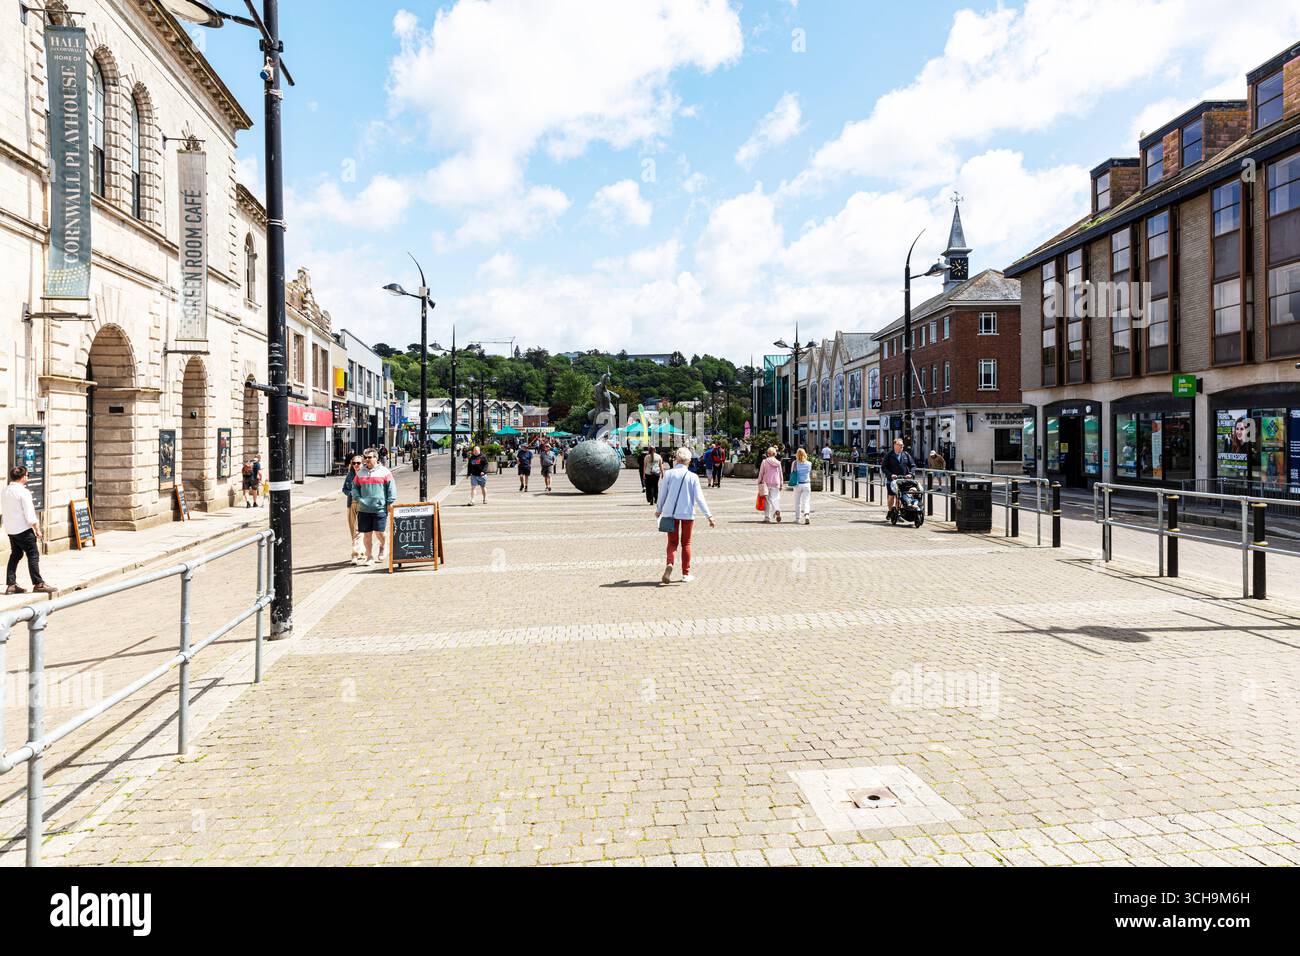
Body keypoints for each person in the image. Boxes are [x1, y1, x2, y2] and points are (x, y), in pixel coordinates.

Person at [655, 446, 715, 583]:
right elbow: (700, 498)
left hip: (670, 512)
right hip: (687, 513)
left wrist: (659, 509)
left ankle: (670, 563)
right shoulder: (693, 476)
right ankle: (685, 573)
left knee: (672, 542)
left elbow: (662, 493)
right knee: (686, 543)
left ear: (676, 459)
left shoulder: (669, 474)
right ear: (688, 461)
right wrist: (709, 516)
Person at [3, 466, 54, 594]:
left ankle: (11, 584)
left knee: (16, 555)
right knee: (33, 555)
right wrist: (37, 529)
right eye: (27, 475)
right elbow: (30, 514)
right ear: (23, 476)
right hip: (24, 529)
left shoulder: (5, 490)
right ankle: (38, 584)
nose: (28, 477)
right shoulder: (23, 492)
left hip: (11, 529)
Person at [350, 448, 396, 566]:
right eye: (365, 457)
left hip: (379, 508)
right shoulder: (360, 473)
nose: (366, 460)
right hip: (364, 509)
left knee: (380, 532)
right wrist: (358, 499)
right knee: (367, 534)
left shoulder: (385, 472)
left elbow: (391, 488)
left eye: (369, 457)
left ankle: (383, 545)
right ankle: (369, 557)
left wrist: (390, 502)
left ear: (376, 458)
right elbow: (354, 487)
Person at [883, 437, 916, 518]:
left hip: (903, 480)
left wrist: (911, 474)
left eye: (902, 445)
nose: (902, 446)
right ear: (894, 445)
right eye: (899, 445)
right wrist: (890, 475)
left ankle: (897, 513)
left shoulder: (906, 454)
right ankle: (890, 511)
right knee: (891, 497)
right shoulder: (889, 455)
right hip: (892, 480)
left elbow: (913, 466)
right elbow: (884, 467)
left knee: (900, 497)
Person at [342, 454, 366, 564]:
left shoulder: (366, 474)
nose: (356, 465)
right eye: (354, 463)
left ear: (362, 463)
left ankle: (355, 554)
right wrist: (350, 492)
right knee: (353, 530)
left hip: (363, 504)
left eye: (358, 463)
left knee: (359, 529)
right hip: (351, 503)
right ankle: (361, 550)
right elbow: (344, 489)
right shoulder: (350, 474)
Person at [757, 446, 784, 523]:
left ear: (768, 454)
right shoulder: (778, 463)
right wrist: (781, 484)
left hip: (766, 483)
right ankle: (777, 510)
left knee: (767, 501)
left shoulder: (764, 462)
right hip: (776, 483)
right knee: (775, 499)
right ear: (775, 454)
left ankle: (767, 517)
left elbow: (761, 473)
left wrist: (759, 481)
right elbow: (780, 474)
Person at [791, 448, 813, 525]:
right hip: (806, 484)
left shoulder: (795, 463)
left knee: (797, 502)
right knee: (806, 501)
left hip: (797, 484)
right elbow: (809, 472)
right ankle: (807, 515)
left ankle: (797, 518)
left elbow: (792, 472)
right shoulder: (809, 463)